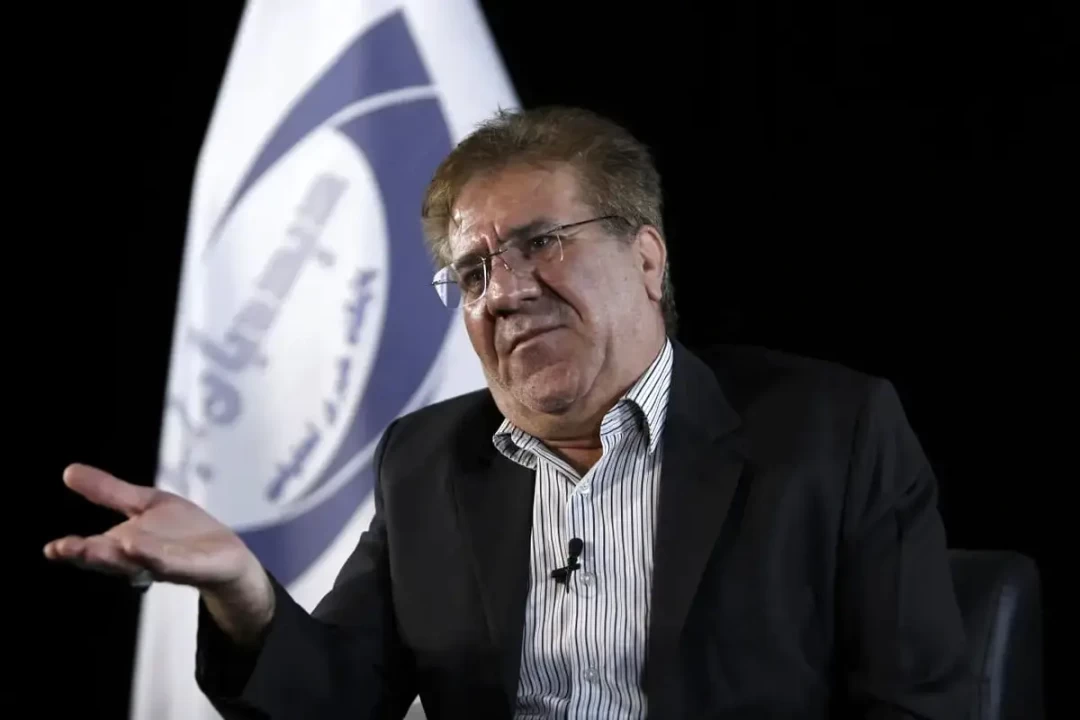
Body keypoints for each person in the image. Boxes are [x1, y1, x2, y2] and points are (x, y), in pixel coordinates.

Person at [45, 106, 971, 719]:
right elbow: (334, 701)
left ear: (647, 259)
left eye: (542, 244)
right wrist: (241, 589)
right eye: (474, 272)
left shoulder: (832, 433)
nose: (504, 292)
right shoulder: (428, 460)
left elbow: (917, 705)